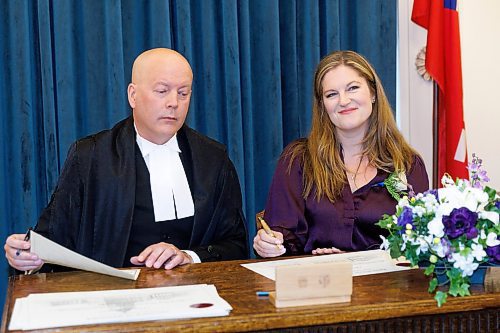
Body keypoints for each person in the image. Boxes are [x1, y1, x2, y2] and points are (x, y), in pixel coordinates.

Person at [4, 48, 248, 273]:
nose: (174, 102)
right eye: (162, 91)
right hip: (112, 300)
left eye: (183, 93)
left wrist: (189, 256)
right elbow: (51, 242)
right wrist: (26, 256)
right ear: (133, 95)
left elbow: (236, 245)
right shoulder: (90, 157)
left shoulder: (214, 159)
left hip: (198, 298)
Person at [254, 50, 429, 258]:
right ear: (323, 106)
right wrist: (270, 244)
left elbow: (419, 242)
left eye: (352, 88)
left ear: (373, 93)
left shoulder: (407, 164)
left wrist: (351, 258)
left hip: (386, 286)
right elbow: (282, 238)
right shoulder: (298, 160)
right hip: (318, 284)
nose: (343, 101)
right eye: (331, 94)